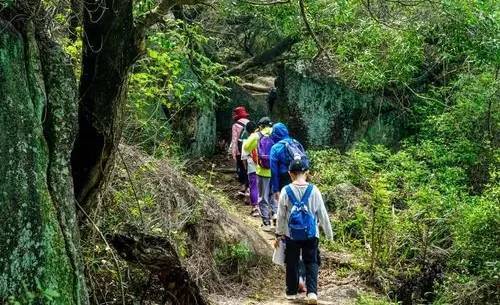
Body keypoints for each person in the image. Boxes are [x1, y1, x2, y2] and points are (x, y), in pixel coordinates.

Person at [275, 158, 333, 304]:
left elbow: (281, 215)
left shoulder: (285, 191)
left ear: (290, 174)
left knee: (292, 261)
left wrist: (279, 234)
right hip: (311, 234)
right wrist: (329, 235)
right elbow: (322, 214)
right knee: (312, 261)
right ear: (306, 173)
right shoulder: (314, 190)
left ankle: (291, 292)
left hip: (291, 234)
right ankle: (312, 293)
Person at [243, 117, 276, 231]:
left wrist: (255, 134)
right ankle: (276, 216)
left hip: (262, 171)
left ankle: (266, 223)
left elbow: (246, 147)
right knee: (273, 195)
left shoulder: (258, 135)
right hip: (275, 171)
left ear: (261, 126)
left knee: (263, 197)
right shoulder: (276, 133)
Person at [270, 123, 308, 202]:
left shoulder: (275, 148)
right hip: (299, 176)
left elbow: (274, 171)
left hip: (284, 179)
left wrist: (276, 189)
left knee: (286, 203)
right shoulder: (296, 143)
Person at [241, 121, 260, 216]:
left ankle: (255, 208)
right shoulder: (260, 138)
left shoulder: (246, 142)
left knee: (253, 186)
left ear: (247, 131)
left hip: (252, 166)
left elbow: (244, 158)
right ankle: (263, 207)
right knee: (261, 186)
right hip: (262, 166)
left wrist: (245, 168)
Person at [230, 106, 250, 193]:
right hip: (249, 150)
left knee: (241, 167)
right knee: (249, 167)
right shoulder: (250, 123)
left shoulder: (235, 125)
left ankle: (243, 185)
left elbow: (234, 140)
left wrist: (233, 152)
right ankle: (249, 186)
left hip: (240, 150)